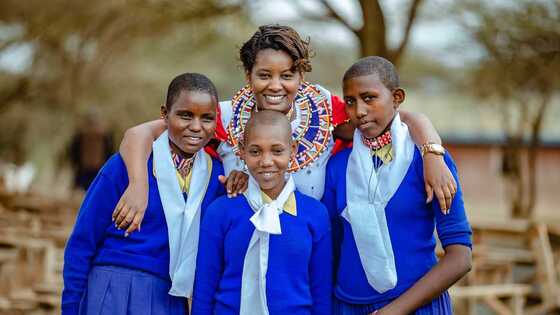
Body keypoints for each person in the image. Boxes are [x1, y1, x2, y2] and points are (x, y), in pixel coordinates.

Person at [112, 24, 457, 236]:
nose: (276, 85)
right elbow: (138, 134)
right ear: (248, 76)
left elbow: (395, 117)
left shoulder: (324, 107)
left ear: (301, 76)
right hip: (238, 245)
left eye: (287, 75)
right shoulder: (224, 115)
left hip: (307, 251)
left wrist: (431, 150)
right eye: (264, 75)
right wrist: (138, 186)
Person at [62, 73, 225, 315]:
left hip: (169, 298)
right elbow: (82, 241)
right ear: (164, 114)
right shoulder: (127, 166)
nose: (196, 126)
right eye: (185, 115)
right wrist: (71, 307)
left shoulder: (216, 177)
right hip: (111, 288)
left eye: (207, 118)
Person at [322, 56, 472, 315]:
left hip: (418, 307)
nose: (359, 111)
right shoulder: (337, 167)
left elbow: (460, 257)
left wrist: (394, 311)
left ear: (397, 97)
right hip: (347, 306)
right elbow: (332, 248)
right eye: (350, 102)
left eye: (369, 98)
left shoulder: (428, 162)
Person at [192, 110, 332, 315]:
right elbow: (204, 286)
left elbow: (321, 290)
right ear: (242, 150)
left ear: (292, 150)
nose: (266, 161)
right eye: (256, 152)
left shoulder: (315, 214)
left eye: (277, 151)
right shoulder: (221, 211)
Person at [69, 109, 114, 191]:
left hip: (92, 169)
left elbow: (73, 152)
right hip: (88, 169)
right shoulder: (82, 134)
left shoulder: (103, 135)